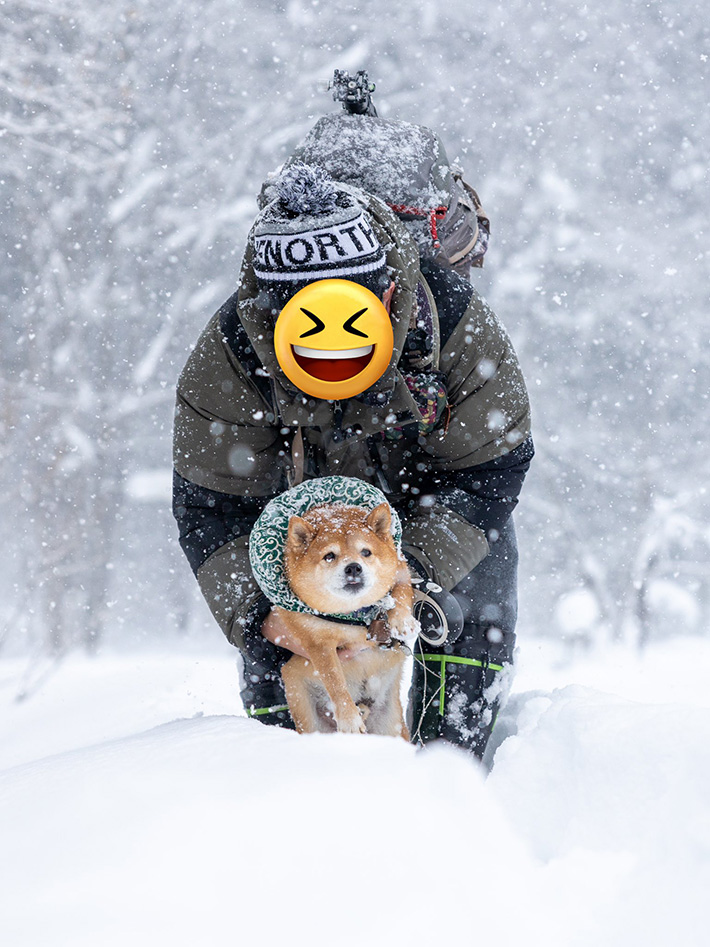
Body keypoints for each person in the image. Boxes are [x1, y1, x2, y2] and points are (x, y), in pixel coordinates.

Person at [172, 162, 533, 759]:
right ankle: (287, 787)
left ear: (390, 293)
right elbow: (214, 508)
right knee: (282, 675)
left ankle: (452, 777)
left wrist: (409, 575)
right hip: (294, 517)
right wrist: (265, 617)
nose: (333, 354)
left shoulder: (457, 328)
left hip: (428, 493)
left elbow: (484, 475)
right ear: (273, 314)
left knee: (469, 610)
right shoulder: (229, 360)